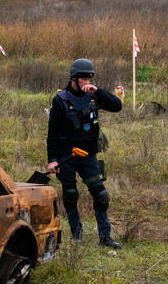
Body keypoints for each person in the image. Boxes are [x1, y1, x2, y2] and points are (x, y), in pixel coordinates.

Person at [47, 58, 123, 248]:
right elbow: (52, 133)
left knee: (101, 195)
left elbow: (117, 106)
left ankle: (105, 237)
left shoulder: (94, 96)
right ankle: (76, 234)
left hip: (88, 154)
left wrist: (99, 91)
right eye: (84, 79)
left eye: (90, 79)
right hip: (67, 155)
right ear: (74, 78)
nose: (87, 82)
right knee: (70, 194)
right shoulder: (60, 100)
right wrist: (52, 160)